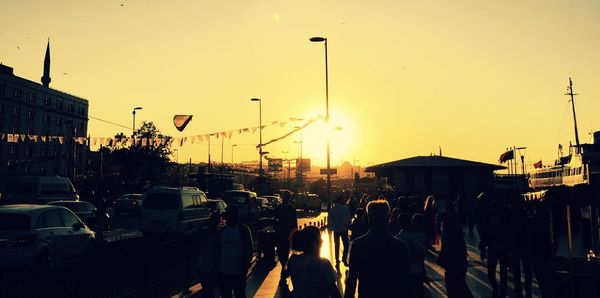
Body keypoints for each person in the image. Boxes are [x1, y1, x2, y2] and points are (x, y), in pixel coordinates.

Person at [344, 200, 412, 298]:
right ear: (388, 218)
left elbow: (352, 279)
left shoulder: (359, 244)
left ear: (368, 218)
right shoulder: (399, 245)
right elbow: (406, 279)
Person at [286, 226, 341, 298]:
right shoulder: (323, 264)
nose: (322, 241)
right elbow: (334, 292)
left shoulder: (293, 261)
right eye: (320, 239)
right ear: (314, 243)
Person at [217, 206, 253, 298]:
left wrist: (245, 265)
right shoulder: (222, 230)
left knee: (238, 293)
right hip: (225, 269)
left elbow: (249, 249)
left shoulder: (243, 230)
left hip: (237, 270)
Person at [436, 221, 473, 298]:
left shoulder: (448, 242)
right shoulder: (460, 241)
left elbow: (441, 258)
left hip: (451, 268)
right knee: (461, 287)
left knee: (453, 290)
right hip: (460, 267)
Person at [396, 214, 428, 298]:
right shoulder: (420, 236)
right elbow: (424, 251)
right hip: (417, 270)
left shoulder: (397, 238)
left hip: (404, 272)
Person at [485, 199, 509, 298]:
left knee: (496, 270)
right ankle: (499, 289)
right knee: (496, 271)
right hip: (495, 247)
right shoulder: (491, 217)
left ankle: (499, 289)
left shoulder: (505, 218)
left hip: (498, 247)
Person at [273, 190, 298, 283]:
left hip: (285, 233)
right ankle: (284, 266)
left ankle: (283, 267)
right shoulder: (281, 208)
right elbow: (275, 219)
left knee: (283, 251)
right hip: (283, 232)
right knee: (281, 251)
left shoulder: (290, 208)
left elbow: (294, 222)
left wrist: (294, 232)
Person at [198, 212, 221, 298]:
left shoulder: (203, 232)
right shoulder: (218, 234)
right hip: (212, 264)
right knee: (210, 288)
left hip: (202, 261)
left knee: (205, 288)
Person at [327, 196, 352, 267]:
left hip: (336, 229)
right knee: (346, 244)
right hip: (344, 229)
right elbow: (348, 218)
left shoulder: (332, 209)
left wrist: (330, 227)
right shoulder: (346, 208)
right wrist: (349, 225)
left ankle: (337, 260)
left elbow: (330, 219)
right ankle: (344, 258)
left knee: (336, 245)